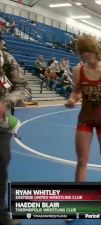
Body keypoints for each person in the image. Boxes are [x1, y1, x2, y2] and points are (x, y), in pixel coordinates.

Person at [64, 34, 101, 182]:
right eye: (84, 51)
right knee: (82, 161)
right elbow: (77, 92)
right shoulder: (77, 71)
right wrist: (72, 99)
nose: (87, 54)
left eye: (89, 50)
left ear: (97, 51)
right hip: (85, 119)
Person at [1, 38, 31, 225]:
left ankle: (2, 212)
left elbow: (24, 88)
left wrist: (5, 102)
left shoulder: (7, 58)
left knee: (0, 168)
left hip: (1, 126)